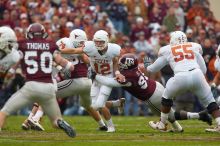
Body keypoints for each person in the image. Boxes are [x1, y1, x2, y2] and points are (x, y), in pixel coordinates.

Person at [87, 53, 212, 132]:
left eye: (122, 64)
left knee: (170, 115)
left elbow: (110, 83)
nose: (120, 66)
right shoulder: (134, 70)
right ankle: (178, 128)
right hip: (156, 86)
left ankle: (200, 115)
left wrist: (95, 76)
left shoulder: (127, 77)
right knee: (168, 114)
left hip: (151, 97)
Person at [0, 23, 76, 137]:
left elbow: (14, 58)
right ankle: (60, 122)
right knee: (55, 121)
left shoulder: (23, 45)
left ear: (29, 34)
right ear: (43, 33)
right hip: (49, 87)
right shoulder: (50, 45)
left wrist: (9, 72)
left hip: (31, 86)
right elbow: (65, 64)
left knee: (4, 111)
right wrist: (69, 65)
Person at [144, 31, 220, 132]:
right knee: (210, 102)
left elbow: (152, 69)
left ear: (172, 39)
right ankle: (219, 124)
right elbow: (204, 70)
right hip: (197, 74)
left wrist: (147, 65)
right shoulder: (194, 47)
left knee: (166, 98)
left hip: (180, 76)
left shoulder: (168, 49)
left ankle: (162, 123)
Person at [60, 30, 125, 132]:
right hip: (96, 77)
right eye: (96, 41)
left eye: (101, 42)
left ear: (106, 41)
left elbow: (121, 59)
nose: (98, 44)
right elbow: (74, 51)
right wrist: (59, 50)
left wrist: (117, 73)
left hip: (107, 78)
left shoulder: (114, 49)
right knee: (93, 106)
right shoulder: (90, 47)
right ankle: (116, 103)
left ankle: (111, 127)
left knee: (100, 104)